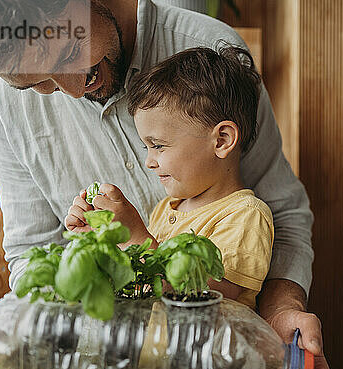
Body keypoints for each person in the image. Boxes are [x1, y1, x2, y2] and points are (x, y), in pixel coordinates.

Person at [0, 0, 332, 369]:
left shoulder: (207, 50)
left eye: (69, 52)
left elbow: (278, 215)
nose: (74, 90)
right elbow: (33, 252)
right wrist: (93, 246)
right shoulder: (3, 102)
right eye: (37, 86)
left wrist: (282, 310)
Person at [67, 46, 274, 310]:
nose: (149, 161)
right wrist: (104, 240)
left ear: (222, 140)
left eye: (159, 146)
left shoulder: (245, 216)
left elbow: (203, 295)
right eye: (146, 147)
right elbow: (143, 283)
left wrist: (136, 237)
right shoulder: (165, 209)